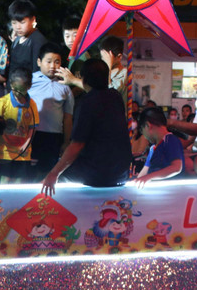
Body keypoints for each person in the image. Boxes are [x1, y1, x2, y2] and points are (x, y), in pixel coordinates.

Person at [42, 59, 131, 191]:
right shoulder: (116, 97)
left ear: (83, 79)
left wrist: (53, 173)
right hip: (121, 173)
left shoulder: (86, 104)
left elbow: (77, 144)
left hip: (96, 174)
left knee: (55, 168)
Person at [28, 43, 74, 180]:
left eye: (57, 62)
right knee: (30, 174)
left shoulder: (65, 87)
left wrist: (66, 142)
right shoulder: (29, 81)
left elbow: (67, 117)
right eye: (48, 62)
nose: (53, 66)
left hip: (54, 138)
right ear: (39, 62)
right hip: (32, 136)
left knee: (49, 173)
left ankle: (45, 201)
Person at [0, 69, 38, 183]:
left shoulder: (32, 105)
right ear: (11, 85)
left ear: (29, 87)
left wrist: (26, 144)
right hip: (4, 152)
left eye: (21, 90)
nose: (17, 93)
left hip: (23, 153)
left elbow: (32, 128)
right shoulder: (3, 102)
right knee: (4, 181)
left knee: (19, 181)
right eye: (15, 90)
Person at [134, 107, 184, 187]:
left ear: (148, 125)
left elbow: (176, 167)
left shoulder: (170, 140)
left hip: (171, 191)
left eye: (142, 130)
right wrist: (137, 180)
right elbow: (144, 171)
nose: (144, 135)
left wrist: (148, 177)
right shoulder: (152, 149)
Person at [9, 0, 48, 77]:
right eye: (14, 23)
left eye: (22, 22)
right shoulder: (18, 38)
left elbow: (37, 72)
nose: (17, 27)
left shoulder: (38, 41)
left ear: (33, 20)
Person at [99, 36, 128, 108]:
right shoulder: (101, 71)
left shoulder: (124, 73)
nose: (103, 60)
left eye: (106, 58)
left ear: (119, 57)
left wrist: (108, 65)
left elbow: (111, 94)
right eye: (102, 57)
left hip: (116, 116)